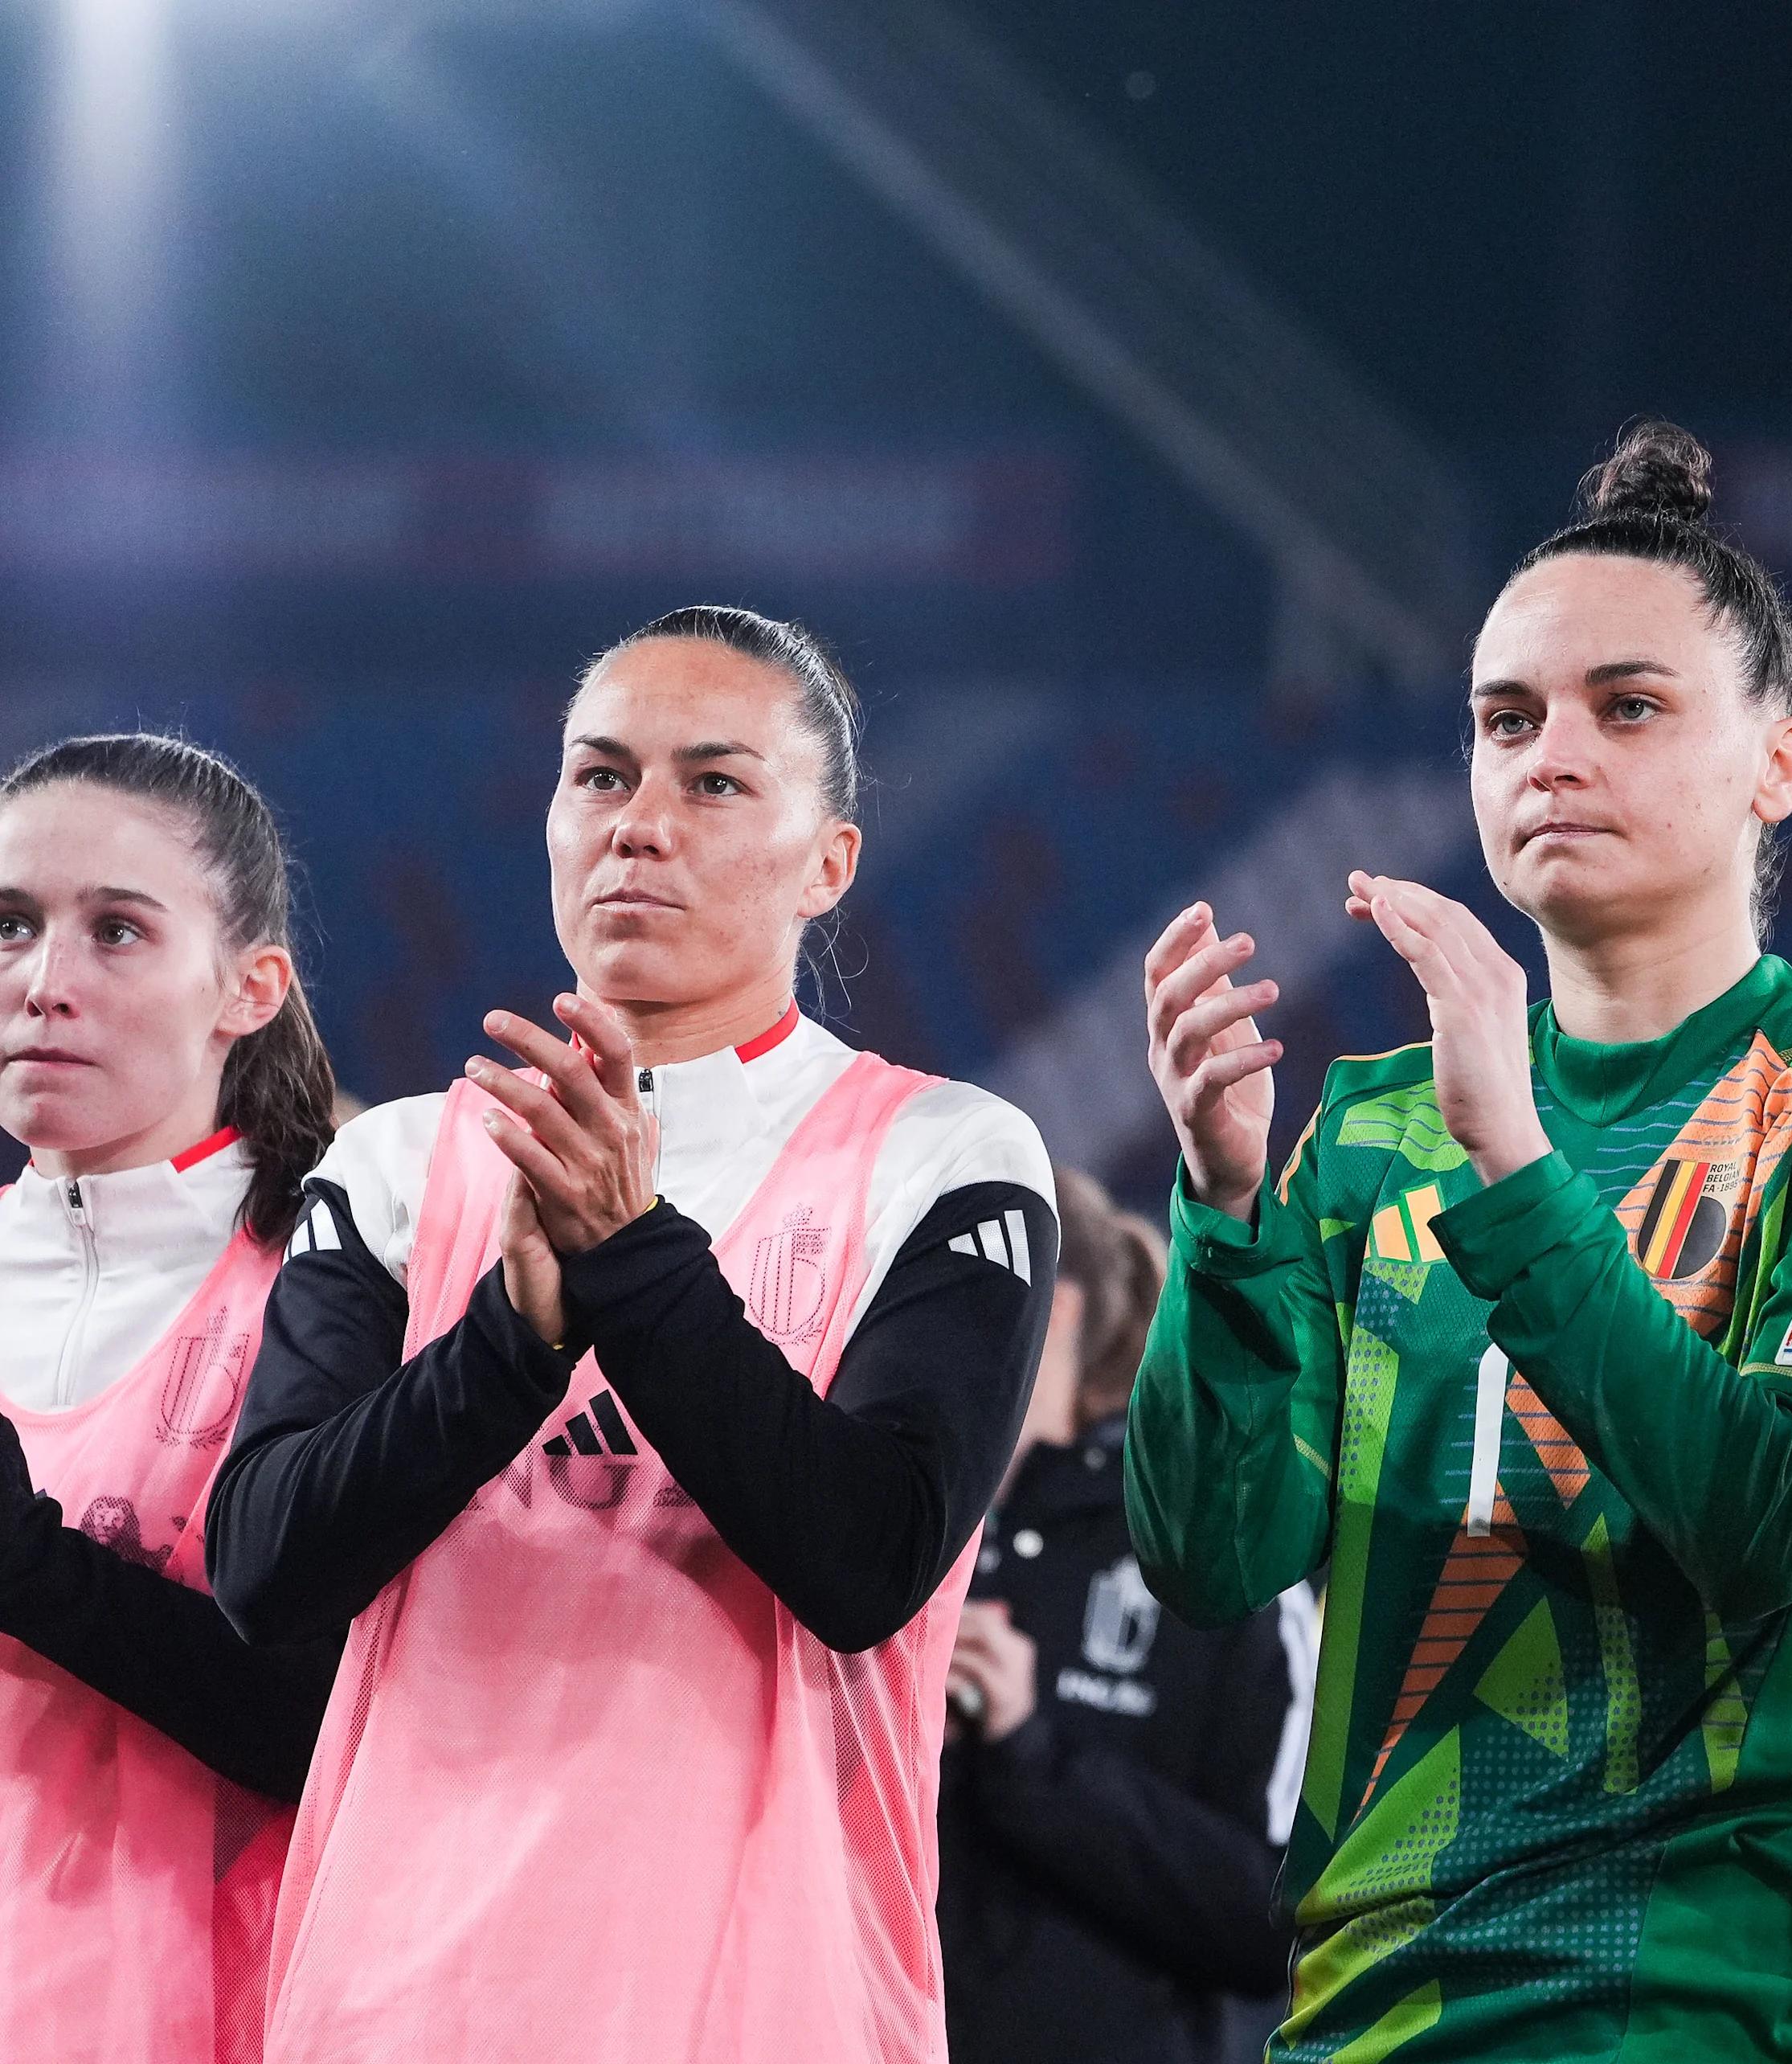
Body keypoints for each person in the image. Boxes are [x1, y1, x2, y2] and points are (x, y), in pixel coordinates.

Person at [1130, 420, 1792, 2061]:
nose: (1549, 754)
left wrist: (1514, 1158)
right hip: (1381, 2013)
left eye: (1628, 705)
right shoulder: (1369, 1129)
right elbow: (1215, 1556)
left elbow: (1774, 1520)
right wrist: (1225, 1209)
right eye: (1504, 718)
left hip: (1732, 2012)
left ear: (1777, 764)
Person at [208, 605, 1059, 2061]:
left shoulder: (946, 1154)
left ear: (828, 861)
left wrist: (635, 1260)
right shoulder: (402, 1164)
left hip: (764, 2008)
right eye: (600, 776)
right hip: (390, 2003)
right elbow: (267, 1568)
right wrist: (508, 1344)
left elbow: (864, 1557)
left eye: (713, 782)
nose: (641, 824)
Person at [0, 734, 344, 2064]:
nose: (43, 982)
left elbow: (352, 1727)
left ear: (248, 988)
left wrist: (25, 1562)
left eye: (117, 931)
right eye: (12, 923)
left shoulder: (344, 1286)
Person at [939, 1165, 1307, 2064]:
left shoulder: (1210, 1555)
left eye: (945, 1289)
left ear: (1055, 1311)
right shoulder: (875, 1531)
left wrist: (1031, 1754)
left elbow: (1278, 1923)